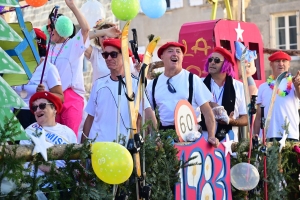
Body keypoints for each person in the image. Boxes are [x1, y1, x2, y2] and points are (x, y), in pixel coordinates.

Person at [81, 38, 156, 143]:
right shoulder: (98, 84)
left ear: (124, 56)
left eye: (113, 54)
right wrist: (83, 146)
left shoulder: (135, 84)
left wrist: (156, 139)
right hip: (98, 146)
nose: (108, 58)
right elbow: (90, 118)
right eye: (105, 55)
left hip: (123, 147)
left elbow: (148, 113)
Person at [145, 42, 219, 147]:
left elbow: (207, 111)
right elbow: (147, 113)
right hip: (165, 139)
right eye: (170, 51)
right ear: (162, 57)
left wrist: (211, 135)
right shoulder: (153, 84)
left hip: (191, 137)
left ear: (182, 57)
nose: (175, 54)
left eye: (178, 52)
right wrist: (153, 137)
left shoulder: (193, 80)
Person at [46, 0, 90, 137]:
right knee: (54, 140)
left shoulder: (72, 44)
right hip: (52, 99)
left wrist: (72, 6)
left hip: (71, 97)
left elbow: (86, 30)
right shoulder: (49, 49)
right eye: (47, 26)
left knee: (70, 139)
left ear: (60, 27)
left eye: (51, 26)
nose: (48, 29)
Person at [14, 28, 63, 129]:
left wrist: (45, 93)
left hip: (37, 116)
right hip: (17, 114)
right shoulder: (18, 66)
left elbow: (61, 97)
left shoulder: (49, 68)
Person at [20, 91, 77, 176]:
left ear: (54, 109)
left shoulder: (68, 132)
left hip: (65, 185)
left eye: (42, 106)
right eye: (34, 108)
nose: (37, 110)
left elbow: (75, 164)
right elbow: (35, 160)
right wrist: (60, 175)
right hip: (37, 187)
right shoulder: (29, 131)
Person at [200, 47, 248, 142]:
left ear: (226, 65)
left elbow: (246, 118)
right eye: (210, 60)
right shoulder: (199, 83)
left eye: (217, 60)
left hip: (228, 143)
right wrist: (210, 104)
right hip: (203, 140)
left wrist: (230, 121)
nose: (212, 62)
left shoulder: (239, 86)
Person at [253, 51, 300, 141]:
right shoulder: (263, 87)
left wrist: (297, 86)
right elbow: (259, 116)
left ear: (289, 64)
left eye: (284, 61)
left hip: (290, 135)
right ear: (271, 64)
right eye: (277, 61)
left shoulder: (294, 82)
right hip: (269, 136)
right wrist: (255, 136)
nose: (281, 64)